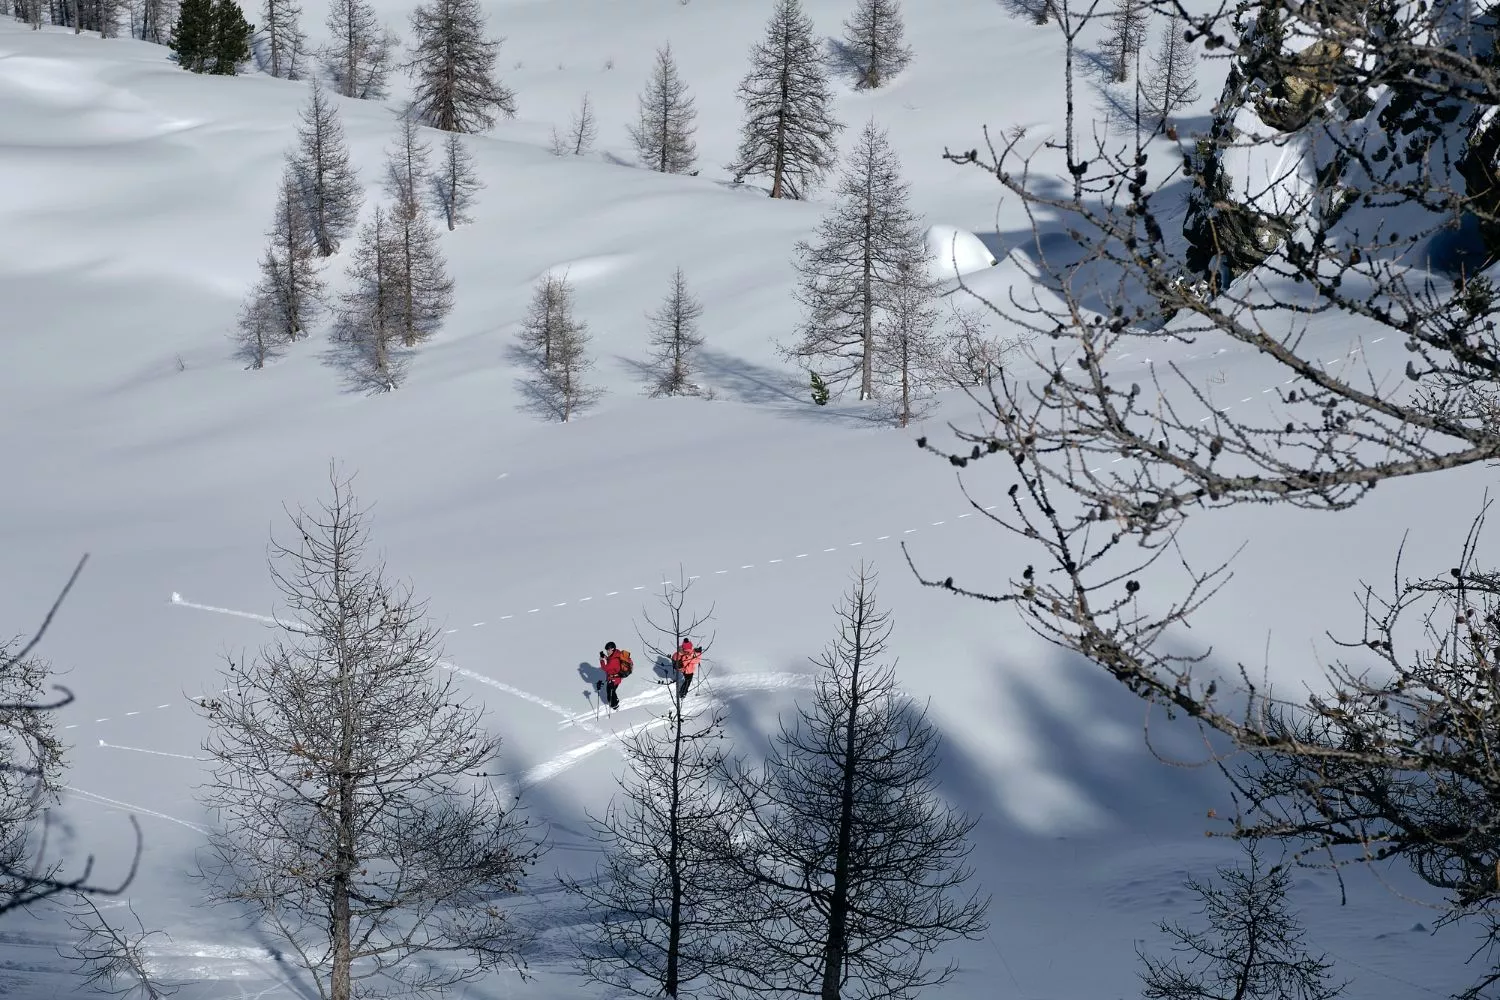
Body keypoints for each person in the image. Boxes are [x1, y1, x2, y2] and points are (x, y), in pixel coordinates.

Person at [598, 641, 633, 710]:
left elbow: (606, 668)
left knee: (610, 693)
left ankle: (615, 706)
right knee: (612, 691)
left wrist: (601, 661)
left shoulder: (614, 659)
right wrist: (605, 657)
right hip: (615, 678)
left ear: (612, 649)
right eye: (607, 650)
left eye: (608, 650)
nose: (607, 652)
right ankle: (615, 702)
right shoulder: (616, 654)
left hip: (614, 679)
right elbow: (610, 660)